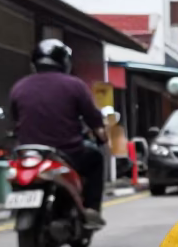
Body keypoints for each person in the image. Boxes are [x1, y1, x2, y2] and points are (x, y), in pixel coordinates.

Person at [10, 39, 107, 226]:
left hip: (28, 152)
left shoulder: (19, 86)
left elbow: (15, 118)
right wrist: (101, 136)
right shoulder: (75, 85)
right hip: (68, 151)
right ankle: (92, 209)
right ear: (65, 63)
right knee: (96, 157)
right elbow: (93, 119)